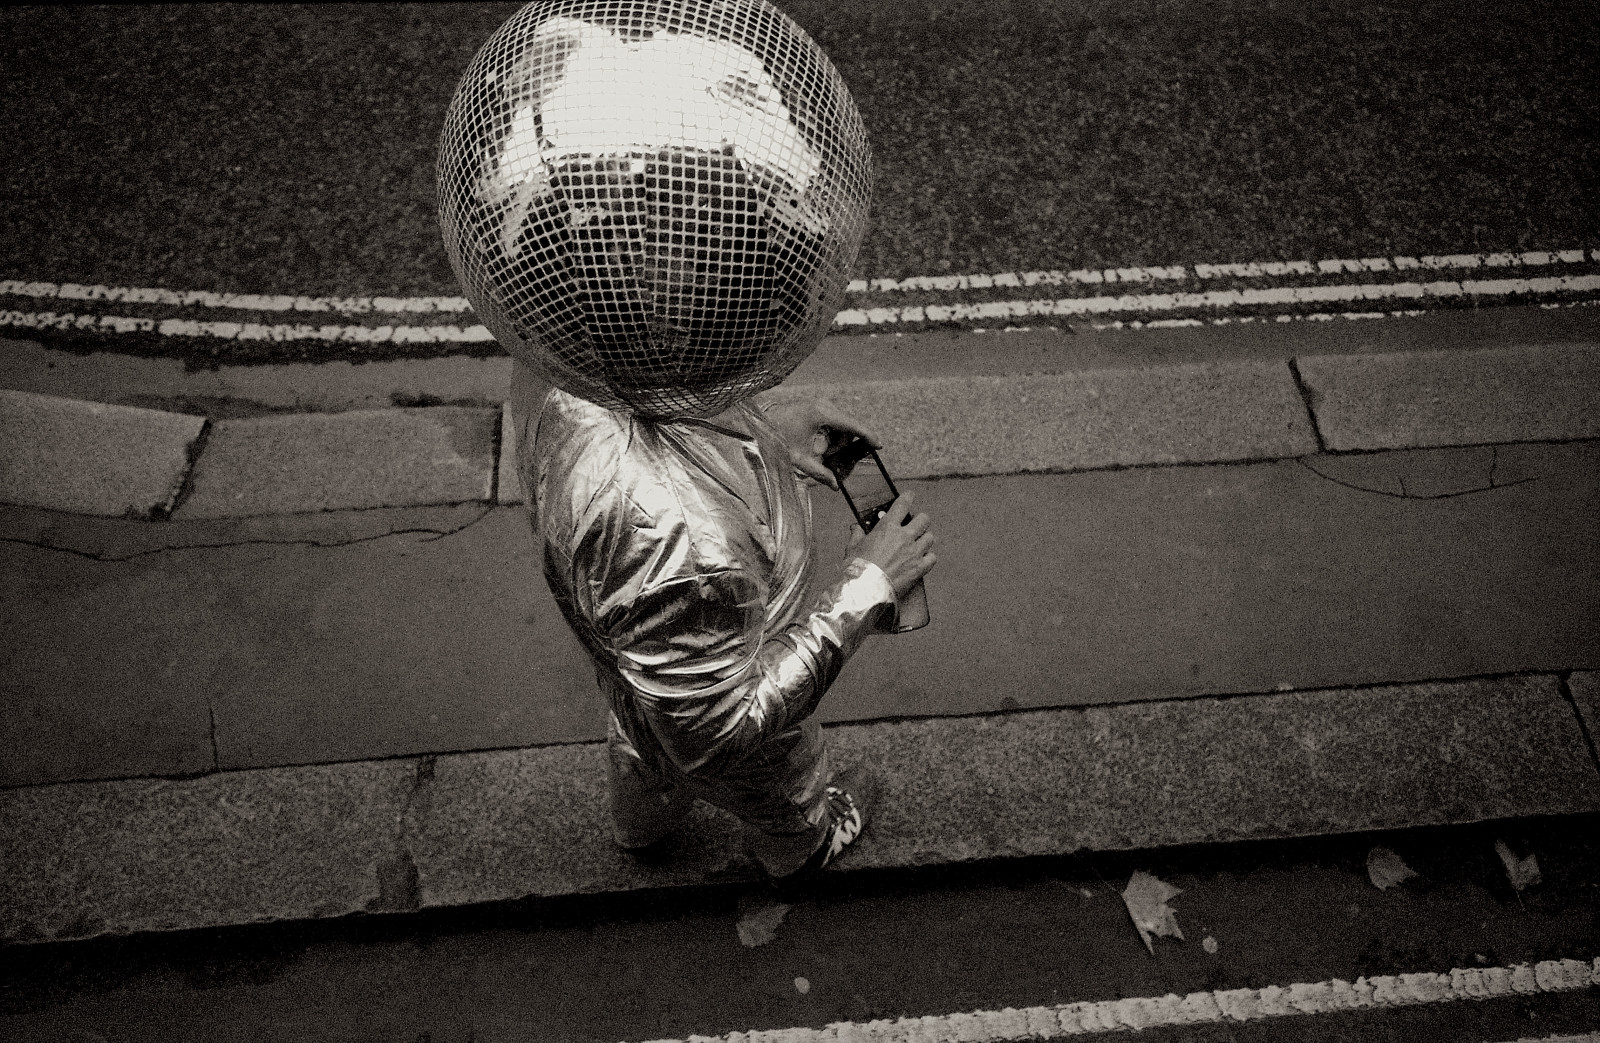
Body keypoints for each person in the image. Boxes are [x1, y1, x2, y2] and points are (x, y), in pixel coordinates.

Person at [510, 361, 937, 882]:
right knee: (780, 799)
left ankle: (642, 827)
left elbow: (655, 431)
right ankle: (800, 851)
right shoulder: (683, 542)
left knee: (644, 736)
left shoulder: (556, 361)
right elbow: (720, 729)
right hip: (750, 731)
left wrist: (756, 431)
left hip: (636, 682)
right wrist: (868, 585)